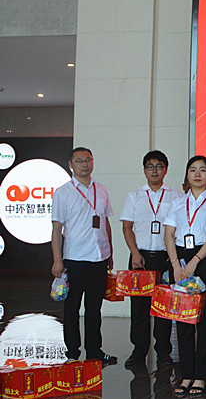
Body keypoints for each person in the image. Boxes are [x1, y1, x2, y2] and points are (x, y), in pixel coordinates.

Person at [163, 155, 206, 397]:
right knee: (183, 319)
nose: (197, 174)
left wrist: (196, 261)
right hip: (180, 259)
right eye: (192, 170)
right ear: (187, 175)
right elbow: (169, 235)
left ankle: (201, 375)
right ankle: (186, 373)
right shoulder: (177, 202)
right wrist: (175, 265)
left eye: (202, 170)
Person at [51, 147, 117, 364]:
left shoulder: (102, 189)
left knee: (94, 308)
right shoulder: (63, 192)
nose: (84, 164)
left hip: (98, 258)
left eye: (88, 160)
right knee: (72, 308)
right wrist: (57, 260)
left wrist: (109, 252)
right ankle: (72, 353)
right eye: (79, 161)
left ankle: (95, 352)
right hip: (74, 259)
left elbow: (105, 222)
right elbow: (57, 229)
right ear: (71, 165)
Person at [119, 150, 180, 368]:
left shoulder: (175, 197)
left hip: (165, 258)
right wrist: (135, 252)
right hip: (140, 257)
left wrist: (173, 259)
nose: (154, 171)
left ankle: (163, 352)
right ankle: (138, 351)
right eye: (150, 166)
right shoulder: (134, 195)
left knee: (163, 307)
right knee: (139, 308)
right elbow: (127, 227)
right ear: (144, 170)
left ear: (166, 169)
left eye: (159, 166)